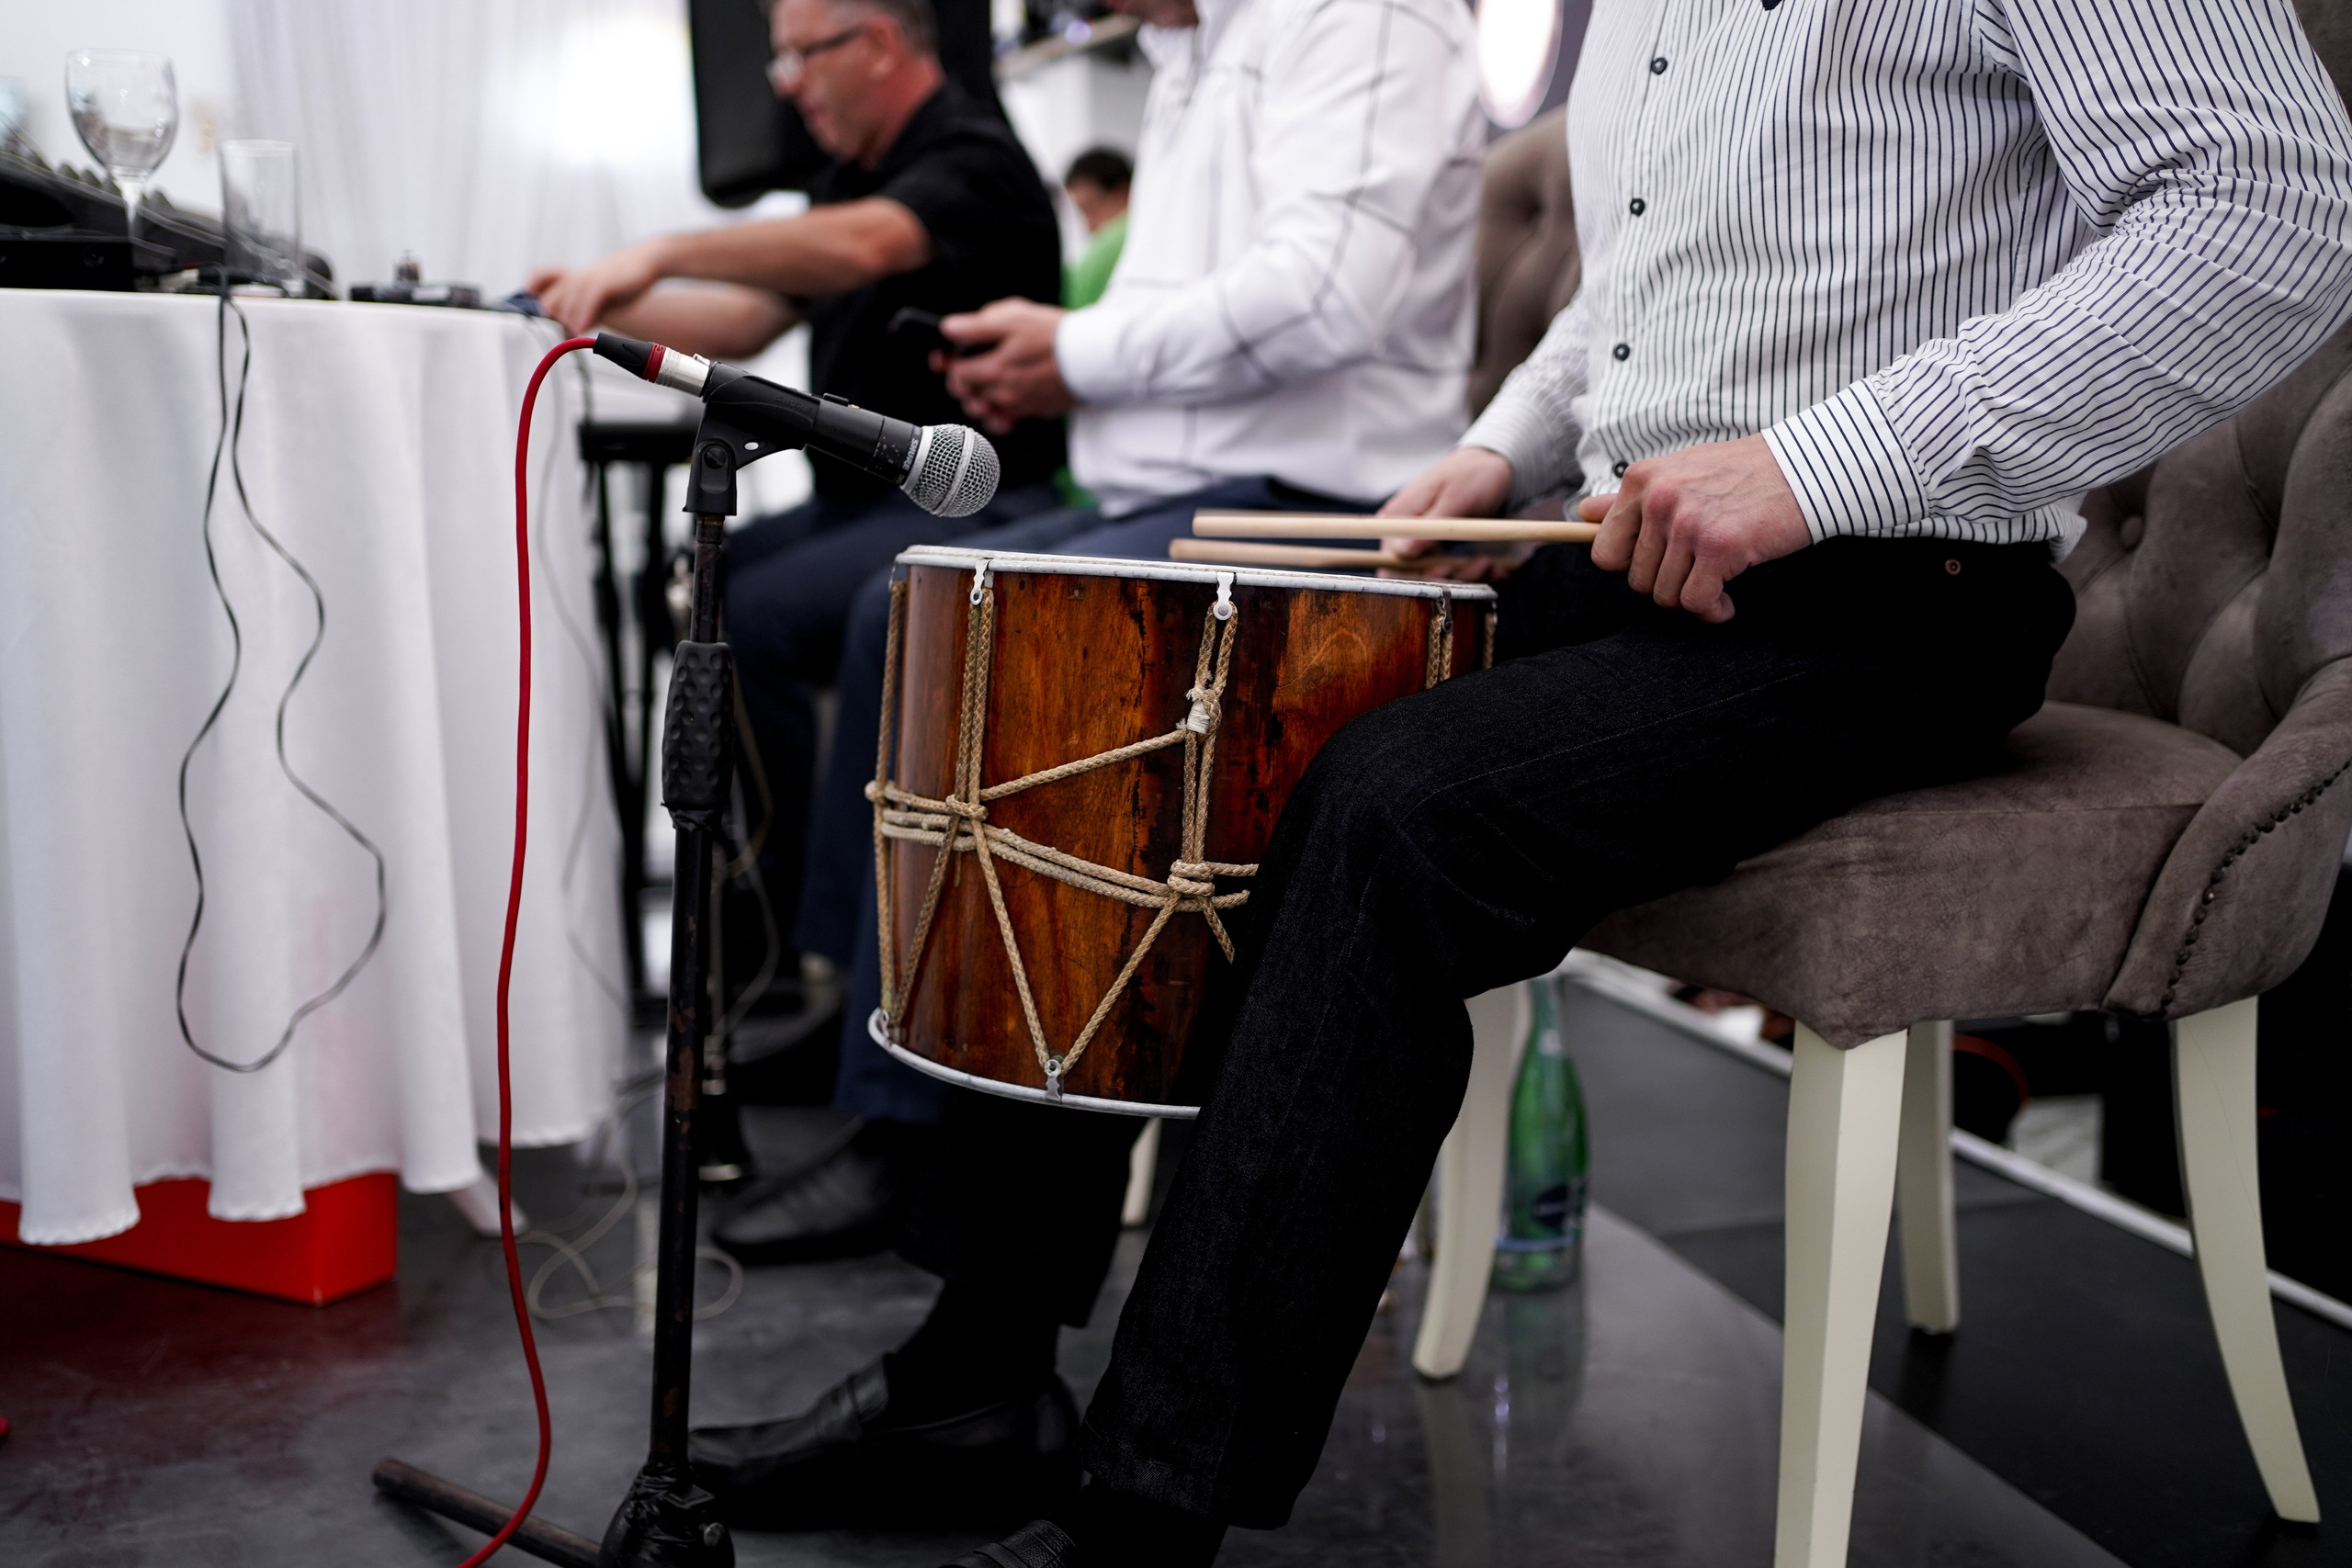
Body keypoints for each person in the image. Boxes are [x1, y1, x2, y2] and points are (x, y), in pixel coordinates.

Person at [898, 0, 2352, 1564]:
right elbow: (1640, 294)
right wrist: (1504, 447)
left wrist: (1823, 463)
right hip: (1631, 560)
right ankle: (967, 1384)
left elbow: (2270, 198)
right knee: (1181, 719)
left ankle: (1146, 1506)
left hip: (1904, 585)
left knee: (1396, 810)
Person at [685, 0, 1484, 1516]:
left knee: (1005, 648)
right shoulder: (1190, 55)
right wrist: (1068, 371)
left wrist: (1081, 354)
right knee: (910, 606)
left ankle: (966, 1338)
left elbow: (1325, 294)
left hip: (1321, 506)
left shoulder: (1359, 15)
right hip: (1201, 480)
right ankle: (903, 1125)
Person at [529, 0, 1068, 1022]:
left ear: (875, 42)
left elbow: (863, 248)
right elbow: (738, 321)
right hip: (857, 509)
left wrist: (655, 250)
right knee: (697, 579)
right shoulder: (843, 177)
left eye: (799, 54)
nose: (784, 82)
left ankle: (783, 948)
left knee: (760, 612)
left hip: (981, 504)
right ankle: (742, 905)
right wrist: (590, 306)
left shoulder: (972, 154)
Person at [1060, 146, 1131, 310]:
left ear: (1124, 193)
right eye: (1082, 214)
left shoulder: (1121, 237)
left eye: (1092, 209)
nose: (1090, 225)